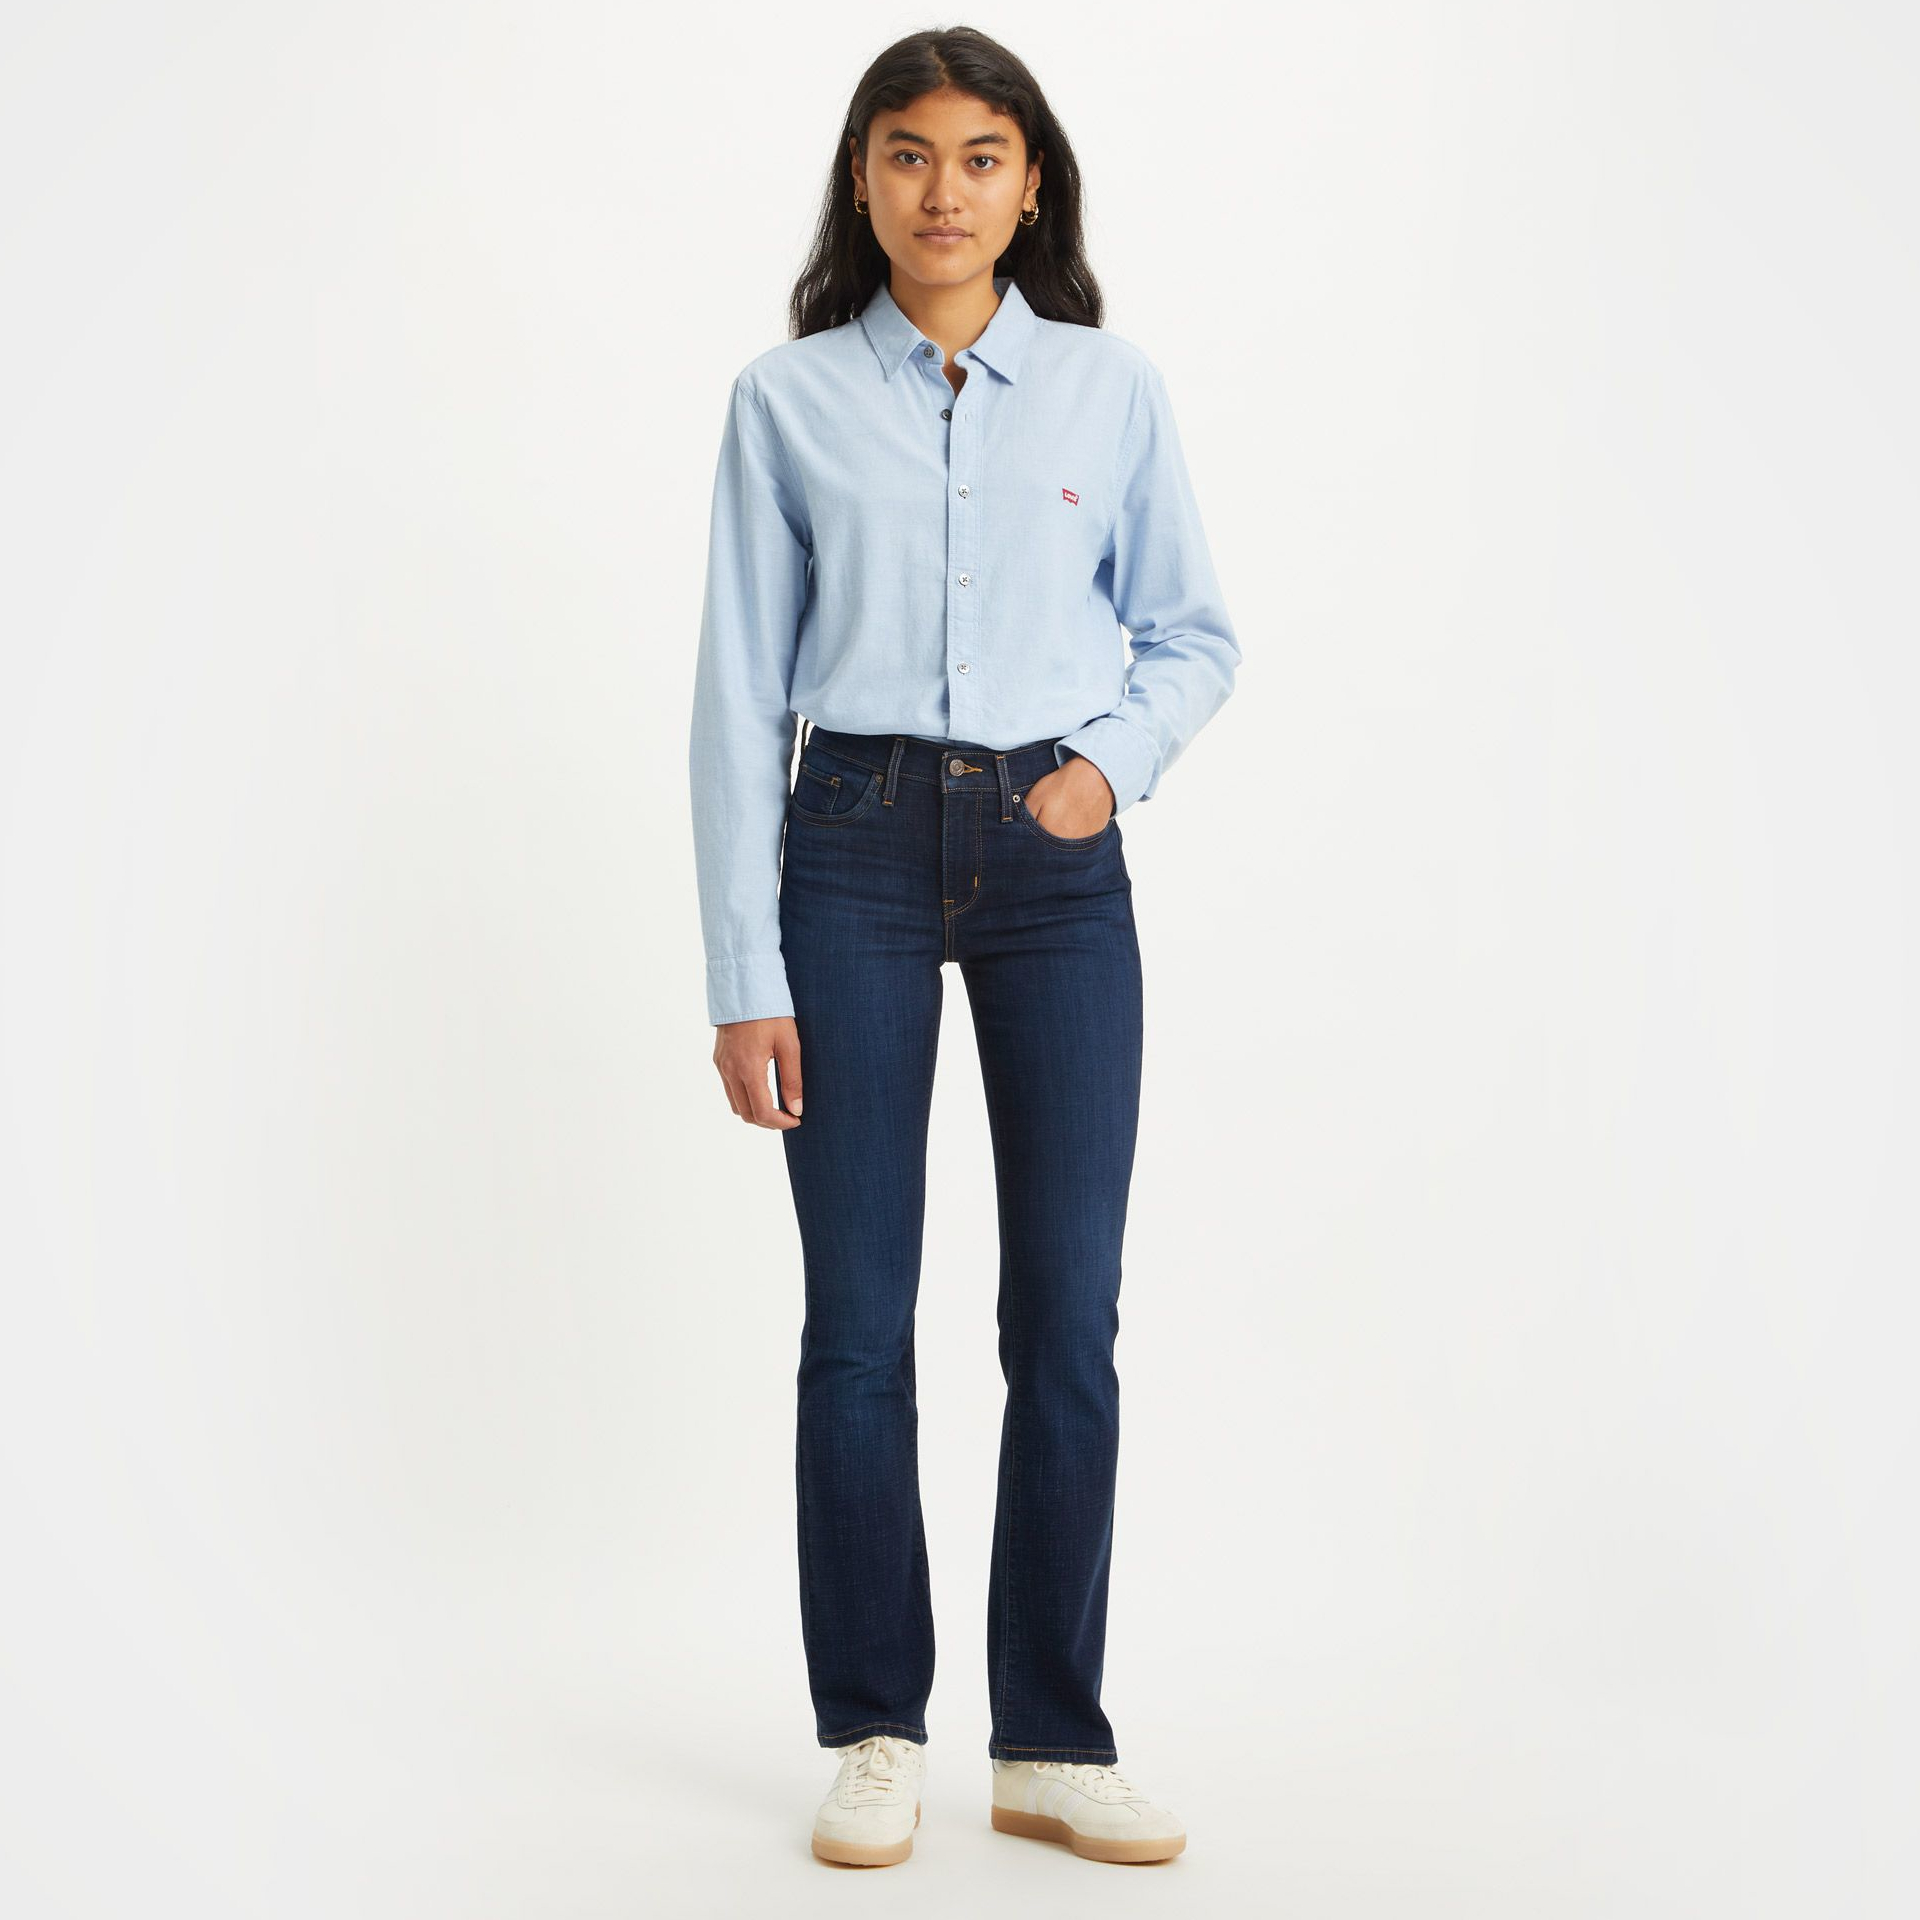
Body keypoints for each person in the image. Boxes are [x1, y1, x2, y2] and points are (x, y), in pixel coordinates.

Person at [688, 26, 1239, 1870]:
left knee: (1065, 1316)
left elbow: (1194, 637)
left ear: (1030, 183)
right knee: (858, 1324)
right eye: (909, 154)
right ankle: (873, 1729)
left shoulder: (1108, 387)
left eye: (981, 156)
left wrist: (1105, 771)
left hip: (1053, 864)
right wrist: (742, 975)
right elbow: (734, 701)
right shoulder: (783, 402)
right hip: (845, 851)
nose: (945, 191)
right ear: (863, 178)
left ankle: (1052, 1742)